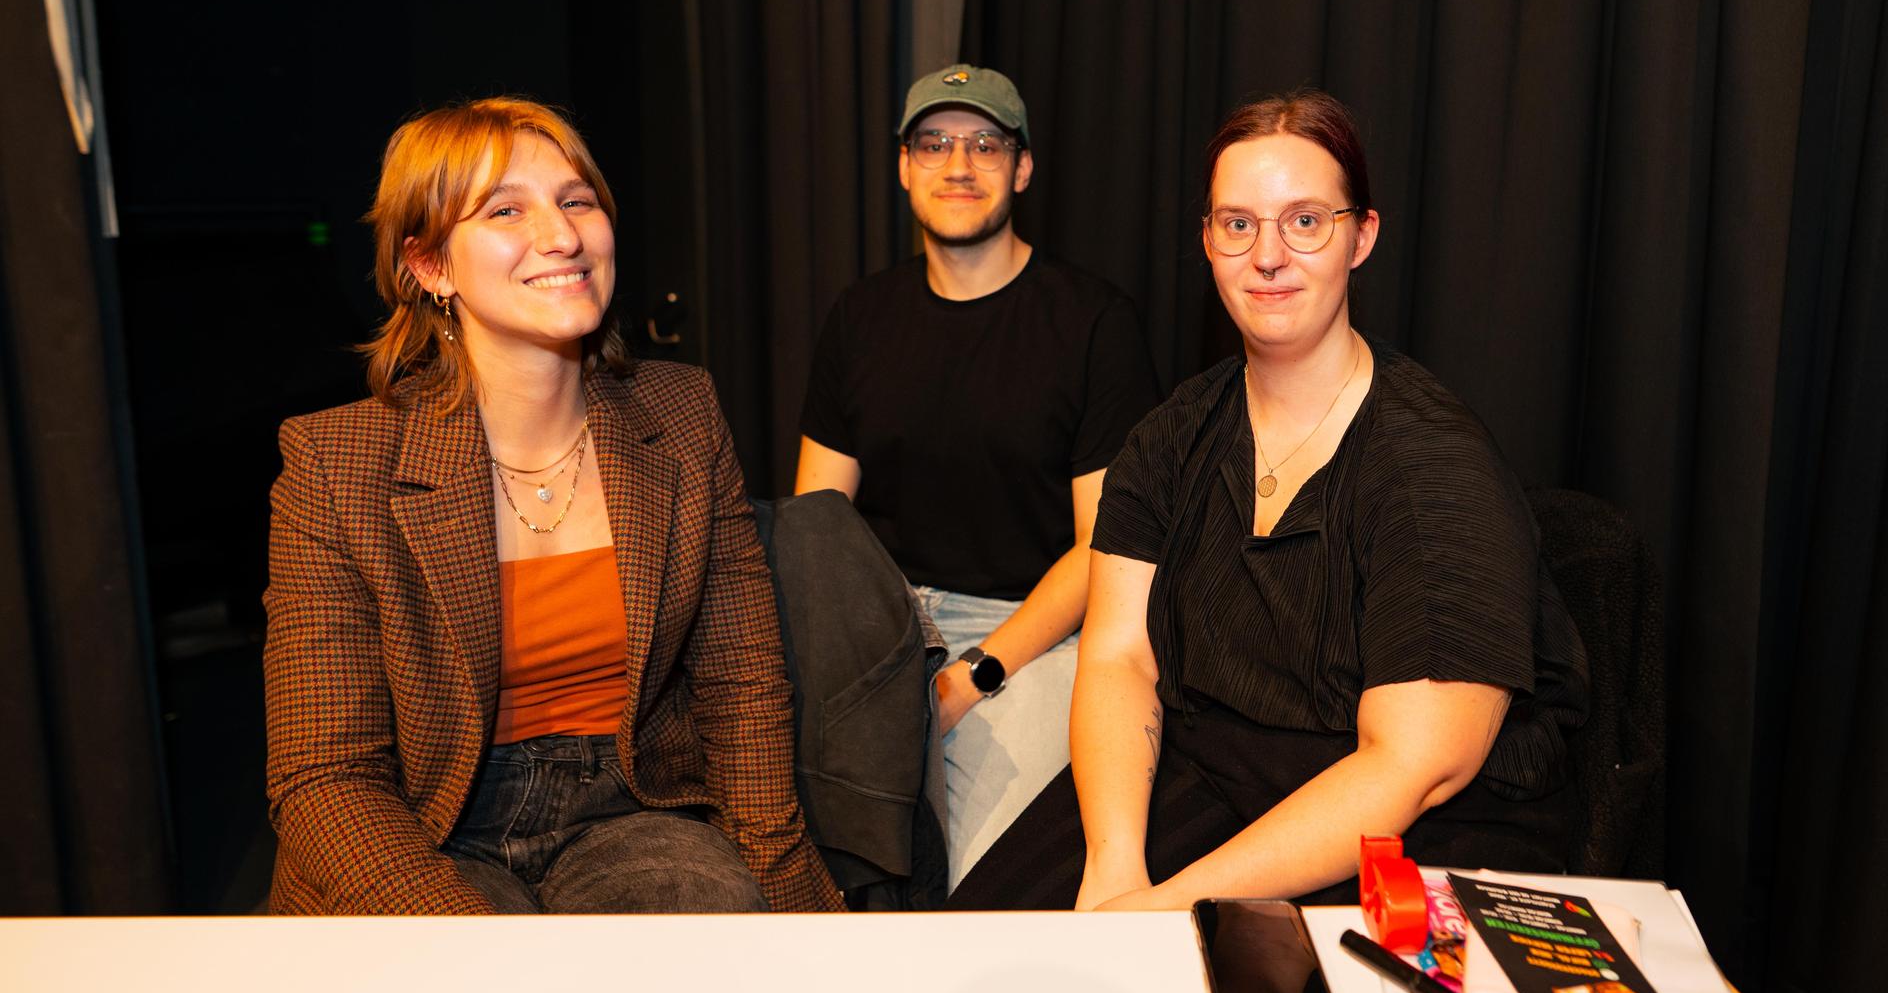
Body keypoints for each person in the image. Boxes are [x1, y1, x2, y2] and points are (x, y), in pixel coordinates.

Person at [945, 88, 1589, 911]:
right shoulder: (1169, 438)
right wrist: (1114, 864)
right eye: (1238, 223)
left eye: (1305, 221)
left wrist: (1161, 908)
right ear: (1208, 242)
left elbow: (1411, 767)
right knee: (988, 946)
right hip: (1207, 771)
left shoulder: (1435, 470)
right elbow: (1118, 657)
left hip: (1404, 826)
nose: (1268, 256)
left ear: (1361, 237)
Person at [263, 98, 841, 914]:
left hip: (631, 805)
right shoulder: (335, 463)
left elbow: (739, 683)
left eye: (576, 200)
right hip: (422, 823)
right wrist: (466, 943)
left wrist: (794, 905)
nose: (562, 235)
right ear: (429, 266)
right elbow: (324, 773)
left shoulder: (682, 414)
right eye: (506, 210)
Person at [795, 64, 1160, 886]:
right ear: (903, 166)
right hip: (880, 626)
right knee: (819, 867)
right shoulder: (859, 318)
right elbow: (818, 527)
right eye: (933, 143)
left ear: (1021, 168)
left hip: (1035, 637)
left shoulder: (1093, 322)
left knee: (982, 879)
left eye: (984, 144)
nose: (957, 165)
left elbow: (1106, 549)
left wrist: (976, 673)